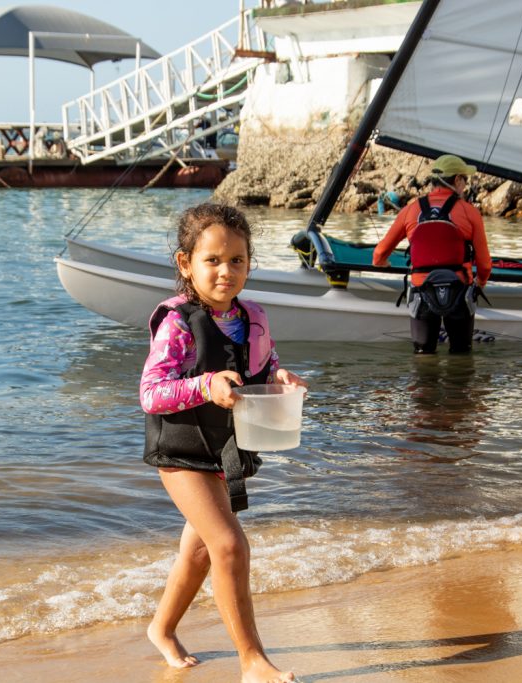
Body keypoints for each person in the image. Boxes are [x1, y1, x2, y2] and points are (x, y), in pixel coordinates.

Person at [140, 203, 305, 682]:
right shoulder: (177, 323)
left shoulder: (253, 317)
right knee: (230, 545)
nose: (225, 271)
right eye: (212, 260)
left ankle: (161, 628)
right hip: (181, 452)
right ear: (185, 263)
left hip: (225, 450)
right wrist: (205, 385)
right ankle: (252, 661)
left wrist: (279, 379)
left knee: (200, 552)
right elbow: (151, 393)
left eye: (237, 260)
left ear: (250, 263)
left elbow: (265, 365)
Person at [372, 154, 492, 354]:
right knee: (461, 354)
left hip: (422, 290)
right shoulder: (470, 212)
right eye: (465, 179)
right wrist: (480, 282)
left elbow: (378, 255)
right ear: (457, 180)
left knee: (423, 354)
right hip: (460, 290)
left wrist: (383, 263)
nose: (466, 185)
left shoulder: (410, 210)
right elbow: (485, 264)